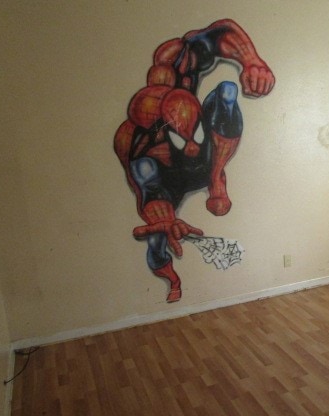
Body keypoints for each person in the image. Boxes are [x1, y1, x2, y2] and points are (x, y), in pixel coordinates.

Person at [114, 19, 275, 302]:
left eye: (192, 136)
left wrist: (251, 60)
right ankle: (172, 279)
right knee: (157, 241)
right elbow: (150, 190)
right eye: (181, 139)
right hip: (170, 179)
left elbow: (215, 37)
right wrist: (165, 219)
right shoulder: (141, 147)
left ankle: (216, 178)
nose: (188, 146)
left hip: (206, 162)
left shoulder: (179, 66)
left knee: (226, 90)